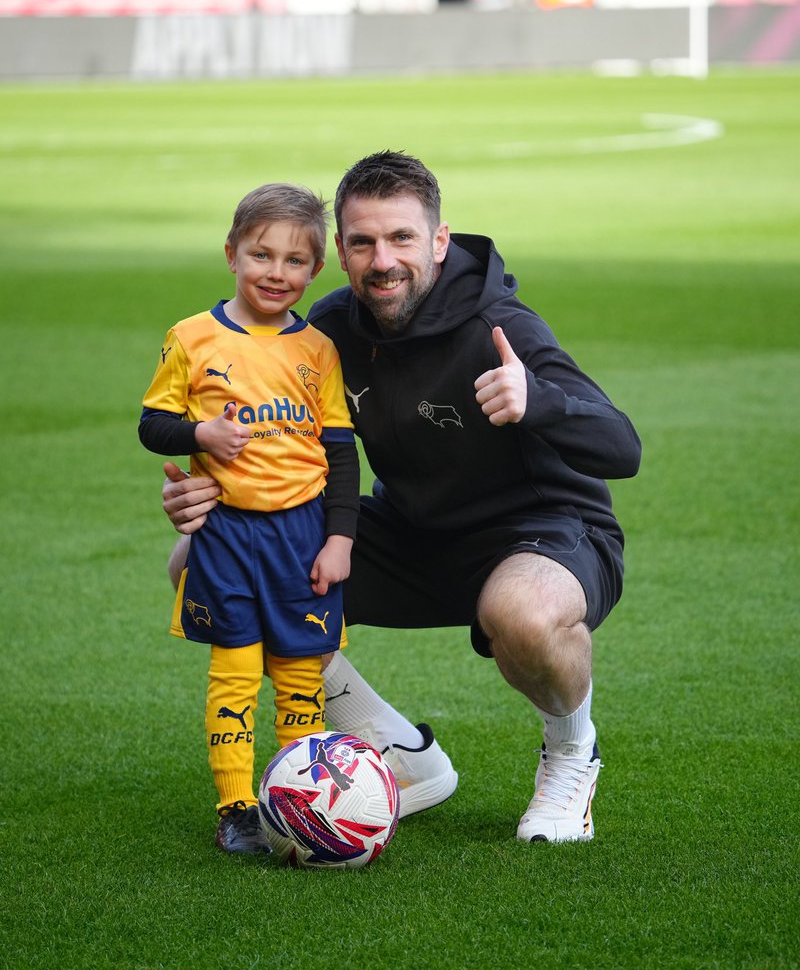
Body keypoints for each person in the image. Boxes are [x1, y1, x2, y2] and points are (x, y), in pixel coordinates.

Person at [162, 152, 641, 844]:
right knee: (201, 559)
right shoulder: (326, 333)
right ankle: (401, 753)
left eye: (402, 238)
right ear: (342, 253)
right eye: (363, 242)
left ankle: (571, 753)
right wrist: (202, 498)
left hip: (542, 536)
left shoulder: (497, 326)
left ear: (439, 242)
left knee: (525, 616)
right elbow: (270, 442)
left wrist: (538, 402)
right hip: (413, 534)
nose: (382, 260)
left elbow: (622, 447)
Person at [140, 184, 360, 854]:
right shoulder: (192, 338)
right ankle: (236, 805)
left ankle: (303, 797)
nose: (276, 272)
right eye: (261, 254)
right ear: (232, 253)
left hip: (300, 535)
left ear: (315, 271)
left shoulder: (317, 349)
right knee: (234, 673)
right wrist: (202, 434)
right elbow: (154, 425)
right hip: (228, 536)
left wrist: (340, 540)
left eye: (295, 261)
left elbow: (342, 452)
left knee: (300, 676)